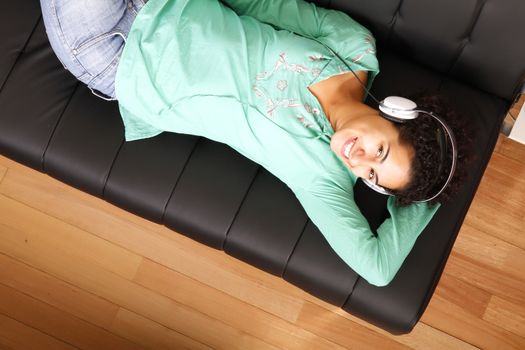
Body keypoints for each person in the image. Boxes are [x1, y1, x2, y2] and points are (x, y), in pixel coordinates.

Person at [40, 0, 472, 286]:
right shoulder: (352, 46)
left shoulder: (321, 178)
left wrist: (420, 199)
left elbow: (377, 269)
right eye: (381, 151)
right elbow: (258, 5)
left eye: (373, 176)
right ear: (397, 113)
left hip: (114, 51)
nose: (359, 160)